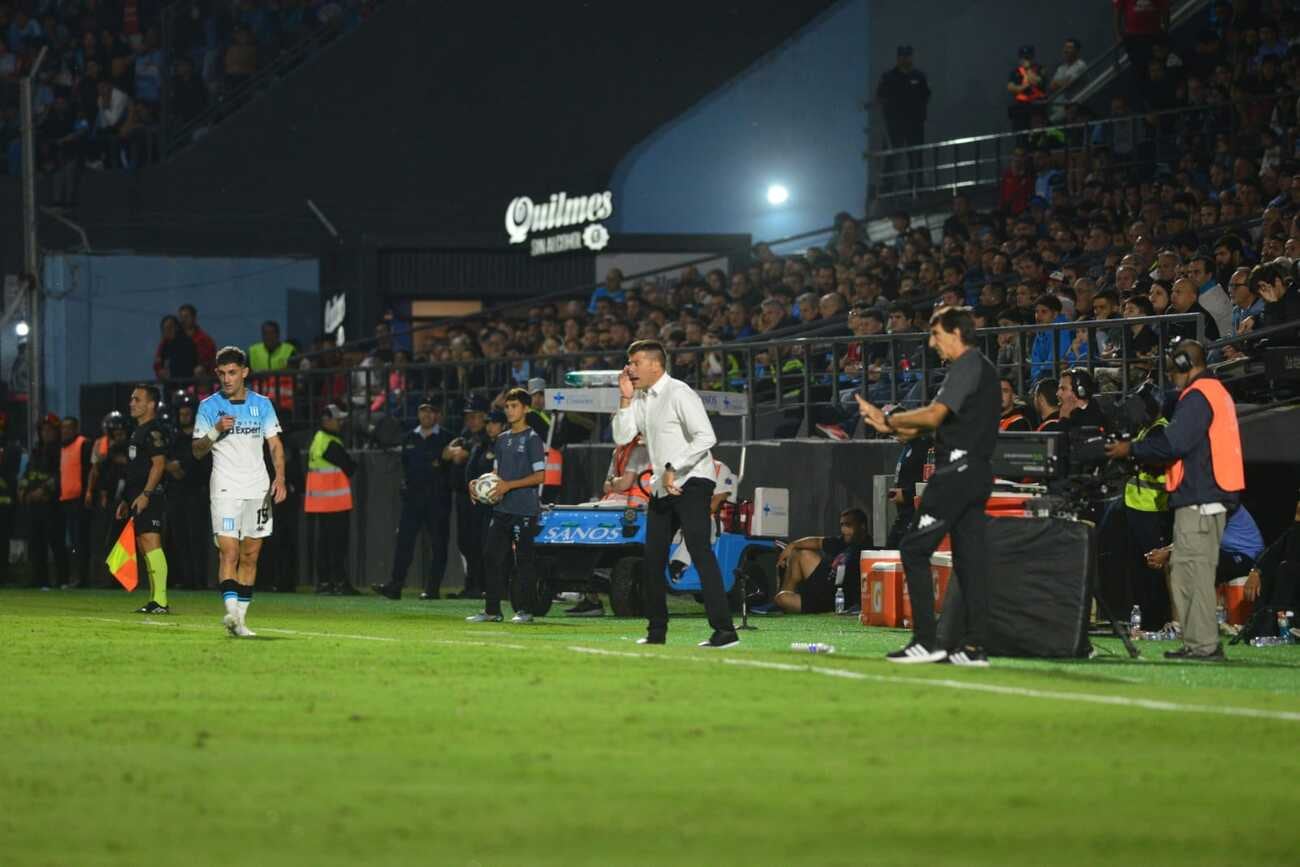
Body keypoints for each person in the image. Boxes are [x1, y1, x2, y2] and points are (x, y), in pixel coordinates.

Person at [856, 306, 1000, 666]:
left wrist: (888, 418)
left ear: (955, 333)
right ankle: (973, 647)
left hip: (956, 473)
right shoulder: (979, 370)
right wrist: (890, 426)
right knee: (969, 563)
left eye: (936, 335)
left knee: (914, 548)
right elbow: (932, 425)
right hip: (977, 473)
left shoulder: (967, 364)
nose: (932, 343)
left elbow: (934, 415)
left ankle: (926, 642)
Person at [1106, 338, 1243, 661]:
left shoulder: (1199, 396)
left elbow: (1173, 444)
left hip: (1202, 496)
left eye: (1173, 370)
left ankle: (1205, 646)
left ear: (1185, 365)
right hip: (1202, 495)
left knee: (1194, 570)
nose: (1172, 378)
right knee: (1184, 570)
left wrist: (1131, 450)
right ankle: (1197, 643)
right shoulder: (1213, 393)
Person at [613, 339, 739, 648]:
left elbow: (706, 437)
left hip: (694, 480)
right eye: (629, 363)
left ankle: (725, 631)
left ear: (655, 365)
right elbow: (622, 436)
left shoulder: (679, 392)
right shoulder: (641, 397)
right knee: (652, 558)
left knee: (699, 549)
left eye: (635, 362)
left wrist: (673, 466)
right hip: (662, 485)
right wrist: (625, 400)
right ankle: (657, 633)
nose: (629, 369)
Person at [192, 346, 288, 639]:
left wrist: (280, 477)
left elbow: (274, 444)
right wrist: (215, 430)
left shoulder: (263, 405)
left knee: (250, 555)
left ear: (244, 372)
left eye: (232, 372)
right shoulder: (208, 407)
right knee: (229, 551)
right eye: (221, 373)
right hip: (225, 488)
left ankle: (240, 621)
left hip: (257, 488)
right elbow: (196, 451)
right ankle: (231, 613)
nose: (227, 379)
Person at [466, 388, 546, 624]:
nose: (510, 411)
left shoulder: (533, 439)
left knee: (523, 561)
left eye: (514, 407)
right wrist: (479, 484)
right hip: (502, 509)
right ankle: (492, 610)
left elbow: (540, 476)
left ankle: (525, 610)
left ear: (526, 409)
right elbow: (497, 473)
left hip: (524, 510)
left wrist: (508, 486)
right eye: (507, 407)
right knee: (491, 556)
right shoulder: (501, 439)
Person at [373, 400, 454, 600]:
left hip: (437, 499)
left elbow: (447, 470)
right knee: (404, 542)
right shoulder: (409, 437)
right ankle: (395, 585)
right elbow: (407, 467)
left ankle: (432, 589)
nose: (426, 415)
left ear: (438, 415)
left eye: (431, 411)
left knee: (438, 544)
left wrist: (437, 466)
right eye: (423, 411)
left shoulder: (447, 438)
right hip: (413, 499)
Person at [118, 385, 170, 614]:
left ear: (151, 405)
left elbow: (159, 465)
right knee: (144, 546)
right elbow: (134, 470)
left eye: (137, 399)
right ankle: (155, 600)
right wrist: (125, 499)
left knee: (151, 543)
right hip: (136, 497)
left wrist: (146, 494)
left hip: (149, 497)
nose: (132, 403)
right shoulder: (136, 431)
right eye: (131, 399)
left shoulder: (153, 431)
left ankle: (160, 601)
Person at [771, 509, 869, 614]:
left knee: (781, 598)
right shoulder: (843, 541)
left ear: (862, 526)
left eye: (848, 525)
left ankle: (787, 602)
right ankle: (787, 594)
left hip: (831, 598)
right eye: (842, 525)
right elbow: (817, 542)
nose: (844, 530)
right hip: (825, 581)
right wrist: (791, 545)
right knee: (799, 553)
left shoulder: (867, 549)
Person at [305, 404, 358, 596]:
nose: (341, 422)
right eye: (338, 419)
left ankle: (325, 583)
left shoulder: (318, 439)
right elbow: (350, 466)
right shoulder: (329, 442)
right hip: (334, 502)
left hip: (321, 502)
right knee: (336, 545)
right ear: (327, 420)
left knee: (325, 544)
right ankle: (339, 583)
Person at [447, 394, 492, 599]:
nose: (471, 420)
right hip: (462, 495)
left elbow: (462, 455)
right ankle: (472, 583)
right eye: (469, 416)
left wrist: (461, 452)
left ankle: (481, 585)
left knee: (478, 541)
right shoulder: (466, 434)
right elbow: (450, 453)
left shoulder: (487, 437)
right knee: (465, 541)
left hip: (480, 498)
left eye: (476, 416)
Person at [163, 395, 211, 589]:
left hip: (194, 491)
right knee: (179, 537)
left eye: (187, 413)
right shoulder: (173, 436)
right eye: (181, 413)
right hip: (176, 492)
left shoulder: (201, 435)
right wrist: (172, 467)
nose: (184, 416)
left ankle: (199, 580)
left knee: (196, 536)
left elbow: (203, 462)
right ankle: (186, 579)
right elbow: (163, 459)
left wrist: (181, 467)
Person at [19, 417, 68, 590]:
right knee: (36, 542)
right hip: (34, 505)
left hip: (52, 504)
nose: (46, 433)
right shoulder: (36, 451)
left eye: (49, 430)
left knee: (56, 542)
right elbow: (28, 473)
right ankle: (40, 579)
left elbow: (61, 474)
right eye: (43, 430)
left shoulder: (61, 451)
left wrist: (45, 490)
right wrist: (24, 489)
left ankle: (63, 580)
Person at [876, 45, 931, 191]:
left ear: (911, 57)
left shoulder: (919, 76)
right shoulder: (888, 77)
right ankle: (887, 185)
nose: (905, 58)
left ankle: (916, 184)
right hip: (894, 124)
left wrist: (919, 113)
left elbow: (925, 96)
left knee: (916, 155)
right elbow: (881, 96)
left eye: (907, 55)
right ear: (898, 57)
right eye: (902, 56)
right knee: (891, 155)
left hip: (915, 123)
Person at [59, 416, 93, 589]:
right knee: (71, 541)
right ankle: (74, 577)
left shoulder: (83, 444)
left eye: (68, 428)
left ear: (76, 428)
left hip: (79, 501)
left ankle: (81, 578)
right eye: (63, 428)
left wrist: (88, 491)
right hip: (65, 500)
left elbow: (91, 470)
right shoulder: (62, 447)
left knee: (79, 541)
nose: (65, 431)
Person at [1007, 45, 1046, 131]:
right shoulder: (1015, 71)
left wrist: (1028, 68)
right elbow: (1011, 88)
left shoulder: (1040, 69)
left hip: (1036, 107)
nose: (1024, 59)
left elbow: (1035, 81)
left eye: (1027, 57)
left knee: (1036, 133)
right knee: (1020, 134)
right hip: (1020, 107)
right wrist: (1025, 86)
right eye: (1023, 57)